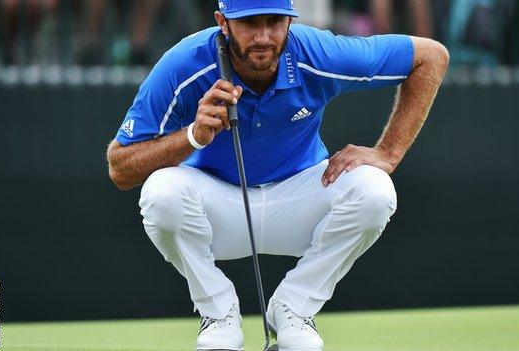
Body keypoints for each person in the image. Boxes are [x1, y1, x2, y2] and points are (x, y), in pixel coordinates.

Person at [106, 0, 449, 349]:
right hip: (216, 209)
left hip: (300, 201)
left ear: (289, 21)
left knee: (375, 190)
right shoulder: (184, 64)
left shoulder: (317, 53)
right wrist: (193, 135)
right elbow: (120, 167)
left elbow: (431, 56)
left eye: (275, 21)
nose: (264, 36)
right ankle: (218, 313)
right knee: (161, 193)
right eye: (250, 23)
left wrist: (387, 153)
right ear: (222, 23)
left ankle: (294, 308)